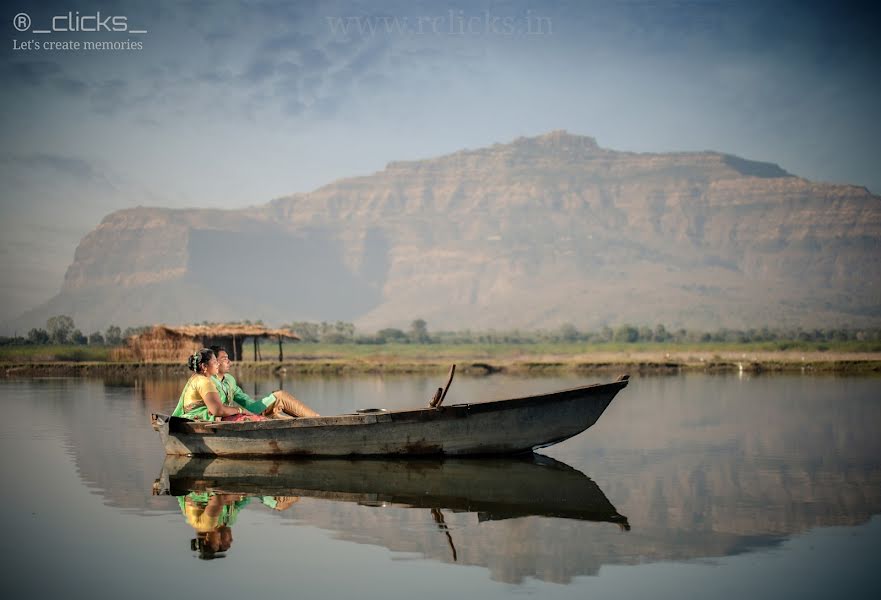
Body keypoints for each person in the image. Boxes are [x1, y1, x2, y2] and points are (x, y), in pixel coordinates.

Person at [209, 345, 320, 418]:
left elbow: (247, 402)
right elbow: (212, 410)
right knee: (271, 415)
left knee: (279, 396)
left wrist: (267, 403)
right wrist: (240, 411)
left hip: (235, 414)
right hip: (222, 418)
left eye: (228, 358)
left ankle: (316, 419)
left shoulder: (230, 380)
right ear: (214, 362)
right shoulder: (207, 381)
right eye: (224, 359)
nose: (229, 362)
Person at [172, 348, 266, 422]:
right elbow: (218, 411)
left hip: (195, 415)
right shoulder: (205, 382)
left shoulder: (197, 378)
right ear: (204, 366)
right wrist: (240, 410)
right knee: (250, 419)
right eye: (214, 362)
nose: (218, 364)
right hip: (196, 417)